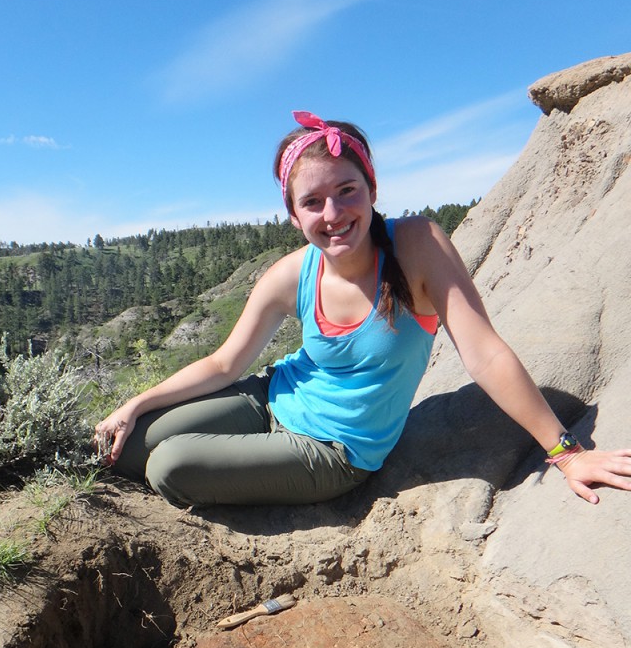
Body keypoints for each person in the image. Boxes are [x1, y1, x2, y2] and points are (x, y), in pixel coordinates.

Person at [95, 111, 631, 508]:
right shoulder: (292, 273)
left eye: (346, 190)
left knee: (169, 465)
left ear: (372, 188)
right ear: (293, 216)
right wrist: (134, 405)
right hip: (272, 398)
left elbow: (484, 353)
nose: (333, 213)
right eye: (312, 202)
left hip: (333, 451)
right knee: (134, 443)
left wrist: (566, 452)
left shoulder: (417, 246)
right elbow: (224, 363)